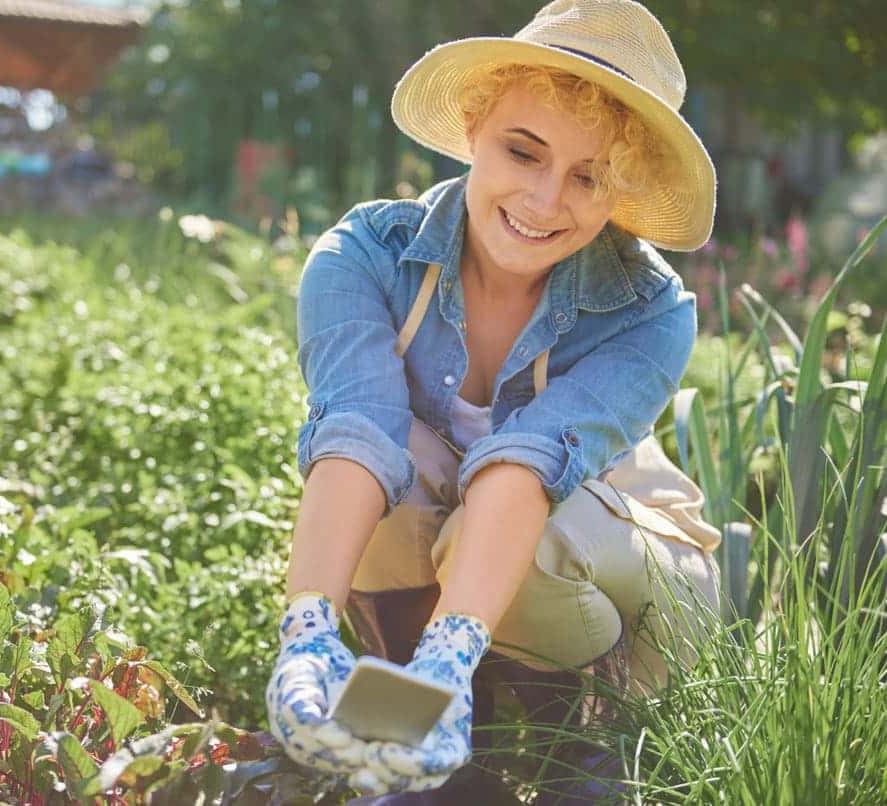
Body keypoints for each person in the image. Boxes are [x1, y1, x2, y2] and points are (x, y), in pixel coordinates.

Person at [264, 0, 724, 802]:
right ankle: (425, 729)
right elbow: (356, 432)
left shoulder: (652, 311)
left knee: (519, 530)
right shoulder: (366, 255)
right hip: (468, 550)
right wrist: (306, 627)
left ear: (621, 190)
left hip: (617, 569)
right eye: (523, 150)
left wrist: (451, 647)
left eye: (589, 177)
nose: (545, 201)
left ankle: (587, 742)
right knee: (389, 471)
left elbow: (523, 468)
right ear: (476, 127)